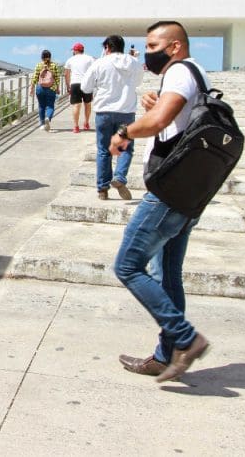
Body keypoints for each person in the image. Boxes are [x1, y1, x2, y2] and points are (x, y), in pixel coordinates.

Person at [110, 20, 211, 383]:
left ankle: (186, 338)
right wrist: (156, 104)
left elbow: (159, 122)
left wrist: (124, 132)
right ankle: (166, 356)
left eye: (153, 46)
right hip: (188, 191)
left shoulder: (180, 72)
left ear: (175, 47)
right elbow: (170, 117)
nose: (147, 53)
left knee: (127, 266)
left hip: (168, 192)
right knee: (167, 275)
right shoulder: (195, 73)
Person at [80, 35, 143, 200]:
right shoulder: (134, 63)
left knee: (103, 151)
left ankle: (102, 189)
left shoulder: (99, 63)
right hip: (126, 113)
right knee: (125, 148)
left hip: (104, 112)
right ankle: (119, 177)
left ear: (107, 47)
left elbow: (85, 87)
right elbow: (138, 83)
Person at [63, 42, 94, 133]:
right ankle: (86, 123)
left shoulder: (70, 60)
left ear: (75, 50)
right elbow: (94, 72)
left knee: (76, 105)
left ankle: (76, 126)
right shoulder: (90, 58)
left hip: (75, 83)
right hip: (87, 83)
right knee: (87, 104)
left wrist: (68, 86)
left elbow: (66, 74)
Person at [30, 49, 62, 131]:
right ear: (50, 57)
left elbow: (35, 77)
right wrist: (58, 88)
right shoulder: (54, 65)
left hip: (40, 88)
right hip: (51, 88)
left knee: (41, 106)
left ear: (42, 57)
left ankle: (42, 124)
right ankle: (48, 117)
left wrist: (32, 88)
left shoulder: (39, 65)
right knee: (50, 106)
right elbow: (57, 78)